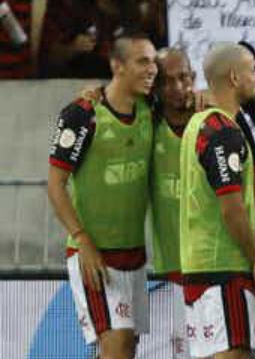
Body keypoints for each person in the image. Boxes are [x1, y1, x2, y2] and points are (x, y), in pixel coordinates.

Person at [46, 33, 157, 359]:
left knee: (125, 349)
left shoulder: (151, 108)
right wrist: (82, 239)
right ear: (117, 66)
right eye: (142, 61)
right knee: (117, 344)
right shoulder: (82, 115)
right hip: (94, 256)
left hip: (134, 255)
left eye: (153, 61)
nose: (152, 69)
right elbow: (55, 185)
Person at [178, 43, 255, 359]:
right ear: (233, 77)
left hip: (198, 270)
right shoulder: (224, 132)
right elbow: (231, 209)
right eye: (252, 69)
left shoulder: (195, 125)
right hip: (225, 271)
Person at [149, 48, 198, 359]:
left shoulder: (213, 119)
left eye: (184, 77)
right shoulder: (147, 126)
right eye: (168, 81)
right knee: (182, 348)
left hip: (216, 262)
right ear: (156, 88)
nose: (178, 87)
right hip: (173, 264)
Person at [42, 0, 144, 78]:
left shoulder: (131, 14)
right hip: (77, 85)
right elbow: (51, 59)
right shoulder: (75, 10)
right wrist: (72, 49)